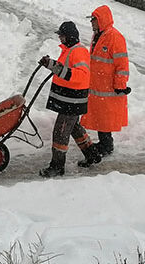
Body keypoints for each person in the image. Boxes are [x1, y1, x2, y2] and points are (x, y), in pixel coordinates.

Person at [37, 21, 101, 178]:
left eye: (62, 35)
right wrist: (51, 63)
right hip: (69, 100)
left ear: (70, 36)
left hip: (72, 101)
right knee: (73, 128)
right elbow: (64, 67)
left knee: (60, 132)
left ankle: (57, 166)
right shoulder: (70, 50)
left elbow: (81, 75)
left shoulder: (78, 52)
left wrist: (55, 68)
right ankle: (92, 155)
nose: (60, 38)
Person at [80, 5, 130, 158]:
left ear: (101, 20)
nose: (92, 23)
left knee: (105, 119)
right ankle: (104, 143)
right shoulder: (98, 35)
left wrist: (120, 85)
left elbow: (122, 64)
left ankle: (106, 145)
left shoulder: (114, 37)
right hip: (98, 86)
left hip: (108, 88)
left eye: (94, 20)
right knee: (101, 118)